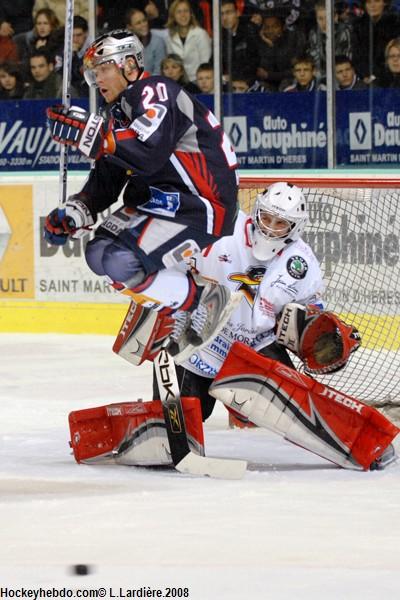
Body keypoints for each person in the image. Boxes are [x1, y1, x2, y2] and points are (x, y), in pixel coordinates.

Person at [44, 29, 240, 358]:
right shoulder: (117, 112)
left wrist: (96, 134)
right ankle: (176, 298)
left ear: (130, 64)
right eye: (94, 73)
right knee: (98, 255)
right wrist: (79, 208)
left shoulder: (156, 90)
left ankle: (198, 298)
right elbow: (109, 176)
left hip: (199, 204)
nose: (97, 79)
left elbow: (149, 151)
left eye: (103, 68)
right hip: (160, 203)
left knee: (121, 261)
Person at [152, 182, 324, 420]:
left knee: (296, 411)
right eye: (266, 218)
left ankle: (243, 414)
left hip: (255, 348)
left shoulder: (301, 261)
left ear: (295, 227)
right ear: (256, 212)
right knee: (178, 421)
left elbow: (312, 309)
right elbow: (173, 267)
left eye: (281, 223)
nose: (270, 228)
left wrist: (317, 335)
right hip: (197, 344)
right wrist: (176, 307)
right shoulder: (223, 229)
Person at [351, 0, 400, 84]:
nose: (372, 5)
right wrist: (366, 76)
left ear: (384, 2)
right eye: (369, 2)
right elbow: (357, 57)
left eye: (376, 1)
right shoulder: (358, 25)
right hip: (366, 77)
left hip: (391, 76)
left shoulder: (396, 22)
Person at [255, 13, 306, 92]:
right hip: (269, 84)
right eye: (267, 27)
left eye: (275, 27)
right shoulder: (260, 43)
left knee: (286, 85)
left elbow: (294, 71)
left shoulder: (291, 43)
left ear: (283, 27)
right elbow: (262, 72)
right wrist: (270, 46)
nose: (271, 31)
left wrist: (270, 75)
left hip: (288, 82)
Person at [165, 0, 211, 83]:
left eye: (186, 11)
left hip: (198, 82)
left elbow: (205, 63)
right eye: (179, 12)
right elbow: (171, 62)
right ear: (173, 16)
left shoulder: (201, 34)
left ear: (191, 14)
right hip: (178, 83)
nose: (183, 15)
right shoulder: (170, 37)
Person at [307, 0, 352, 82]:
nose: (324, 22)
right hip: (322, 75)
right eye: (320, 19)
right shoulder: (314, 33)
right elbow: (315, 56)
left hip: (341, 73)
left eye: (328, 18)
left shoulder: (344, 32)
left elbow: (346, 57)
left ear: (335, 18)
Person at [221, 0, 259, 88]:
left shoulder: (250, 31)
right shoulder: (219, 37)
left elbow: (254, 63)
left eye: (228, 13)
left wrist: (233, 78)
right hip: (230, 83)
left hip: (250, 82)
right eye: (222, 14)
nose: (224, 18)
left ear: (237, 13)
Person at [126, 7, 166, 76]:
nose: (143, 25)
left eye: (144, 21)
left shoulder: (158, 42)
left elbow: (159, 71)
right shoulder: (124, 45)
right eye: (138, 23)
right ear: (130, 27)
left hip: (152, 84)